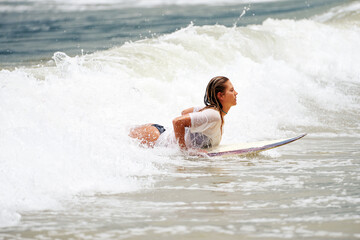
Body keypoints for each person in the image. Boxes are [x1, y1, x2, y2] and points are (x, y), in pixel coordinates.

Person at [129, 76, 238, 152]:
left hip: (161, 133)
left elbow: (184, 113)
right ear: (221, 96)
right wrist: (184, 151)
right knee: (122, 139)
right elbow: (177, 121)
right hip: (157, 138)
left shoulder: (211, 112)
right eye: (232, 90)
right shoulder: (213, 115)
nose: (236, 93)